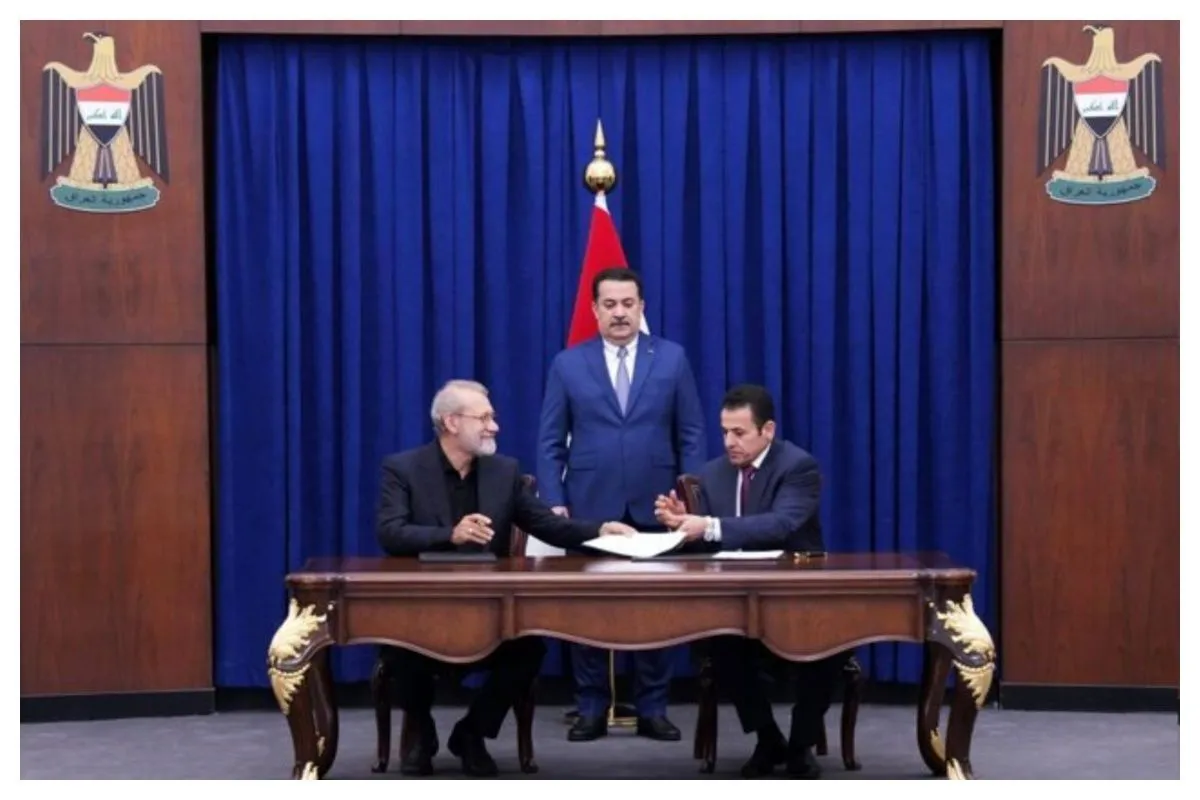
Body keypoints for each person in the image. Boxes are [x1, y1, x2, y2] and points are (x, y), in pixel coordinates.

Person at [376, 379, 637, 777]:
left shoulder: (503, 471)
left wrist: (599, 530)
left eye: (492, 417)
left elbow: (547, 524)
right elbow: (390, 533)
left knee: (528, 650)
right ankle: (421, 732)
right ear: (451, 422)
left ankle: (472, 733)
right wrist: (450, 534)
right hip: (425, 606)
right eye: (483, 418)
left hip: (489, 609)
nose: (494, 426)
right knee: (398, 645)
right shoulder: (403, 469)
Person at [537, 266, 706, 743]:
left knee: (656, 610)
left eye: (627, 303)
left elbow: (691, 433)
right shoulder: (568, 363)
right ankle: (591, 707)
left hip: (659, 504)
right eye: (609, 304)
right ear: (594, 310)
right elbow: (550, 441)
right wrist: (554, 501)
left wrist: (691, 497)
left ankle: (653, 708)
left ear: (641, 307)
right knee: (587, 611)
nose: (619, 313)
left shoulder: (671, 358)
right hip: (590, 505)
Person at [654, 383, 841, 779]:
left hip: (796, 598)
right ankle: (768, 738)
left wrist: (707, 525)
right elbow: (703, 544)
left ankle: (801, 745)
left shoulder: (798, 467)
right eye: (724, 432)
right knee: (722, 642)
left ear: (767, 430)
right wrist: (679, 525)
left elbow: (781, 524)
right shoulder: (712, 474)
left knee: (830, 647)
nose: (729, 442)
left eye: (739, 433)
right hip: (736, 602)